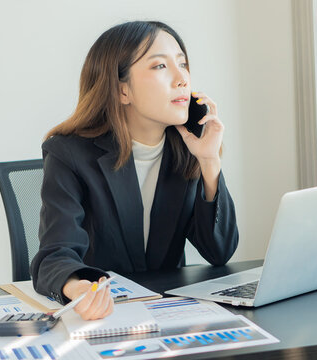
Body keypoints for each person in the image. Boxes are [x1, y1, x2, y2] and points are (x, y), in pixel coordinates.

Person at [30, 21, 239, 320]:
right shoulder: (68, 154)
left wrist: (209, 162)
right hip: (105, 316)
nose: (182, 79)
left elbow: (219, 252)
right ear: (122, 90)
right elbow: (55, 253)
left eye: (182, 63)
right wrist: (77, 288)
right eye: (160, 66)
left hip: (168, 314)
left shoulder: (188, 147)